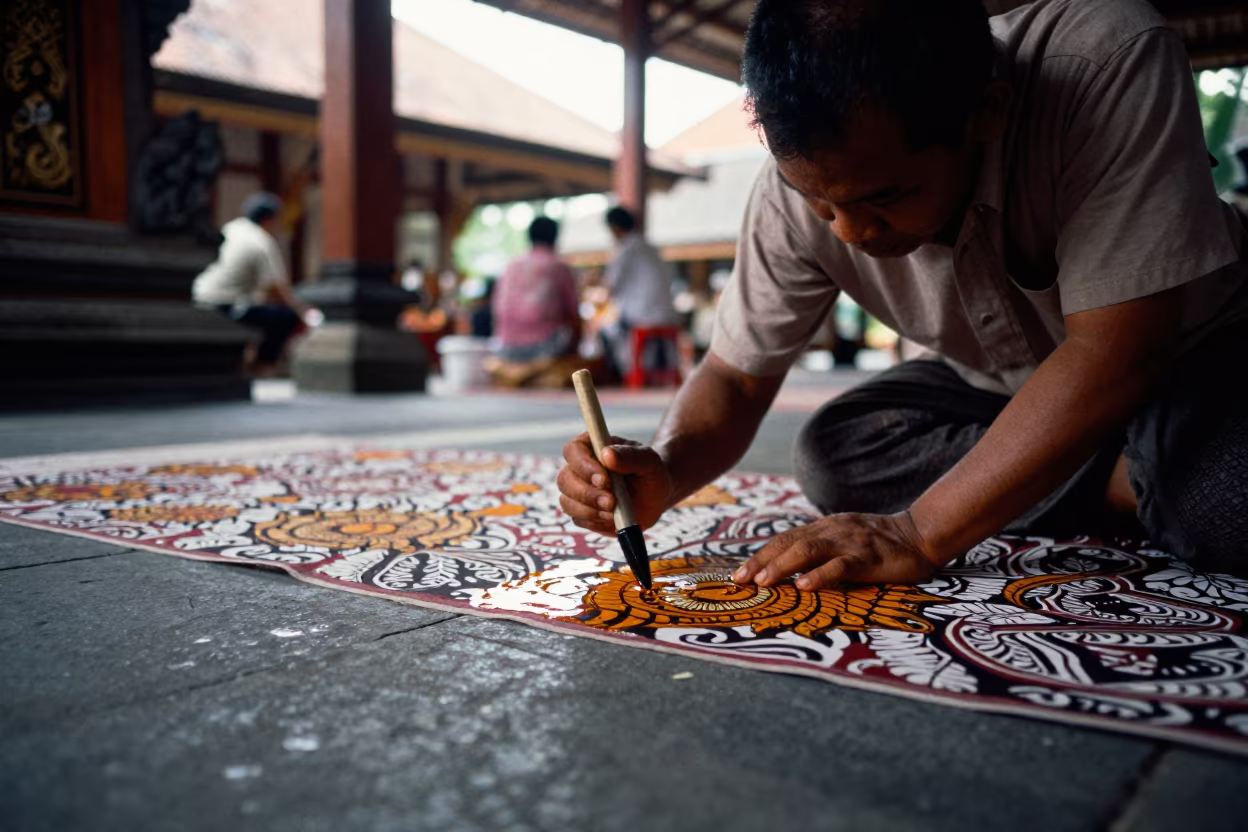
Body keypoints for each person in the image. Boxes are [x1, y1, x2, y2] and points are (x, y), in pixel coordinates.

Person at [558, 0, 1248, 587]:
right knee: (835, 449)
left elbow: (1116, 352)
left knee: (1232, 495)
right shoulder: (798, 184)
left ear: (988, 112)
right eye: (819, 202)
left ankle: (1133, 478)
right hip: (999, 386)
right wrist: (665, 470)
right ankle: (1137, 480)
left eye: (886, 197)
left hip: (1194, 360)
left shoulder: (1106, 64)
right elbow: (736, 380)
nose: (851, 231)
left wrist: (921, 530)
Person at [193, 192, 312, 375]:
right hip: (227, 305)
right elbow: (277, 290)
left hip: (198, 297)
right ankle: (261, 368)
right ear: (270, 218)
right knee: (286, 317)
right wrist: (302, 312)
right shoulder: (262, 241)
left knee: (262, 312)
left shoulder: (230, 228)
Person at [487, 216, 582, 386]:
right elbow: (574, 314)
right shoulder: (557, 266)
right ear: (555, 237)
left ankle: (514, 373)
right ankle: (541, 372)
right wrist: (575, 352)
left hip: (505, 348)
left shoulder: (512, 265)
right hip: (543, 348)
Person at [601, 206, 678, 380]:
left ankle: (624, 376)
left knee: (608, 330)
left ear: (614, 228)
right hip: (667, 312)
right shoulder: (652, 249)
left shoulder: (625, 250)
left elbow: (611, 286)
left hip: (641, 316)